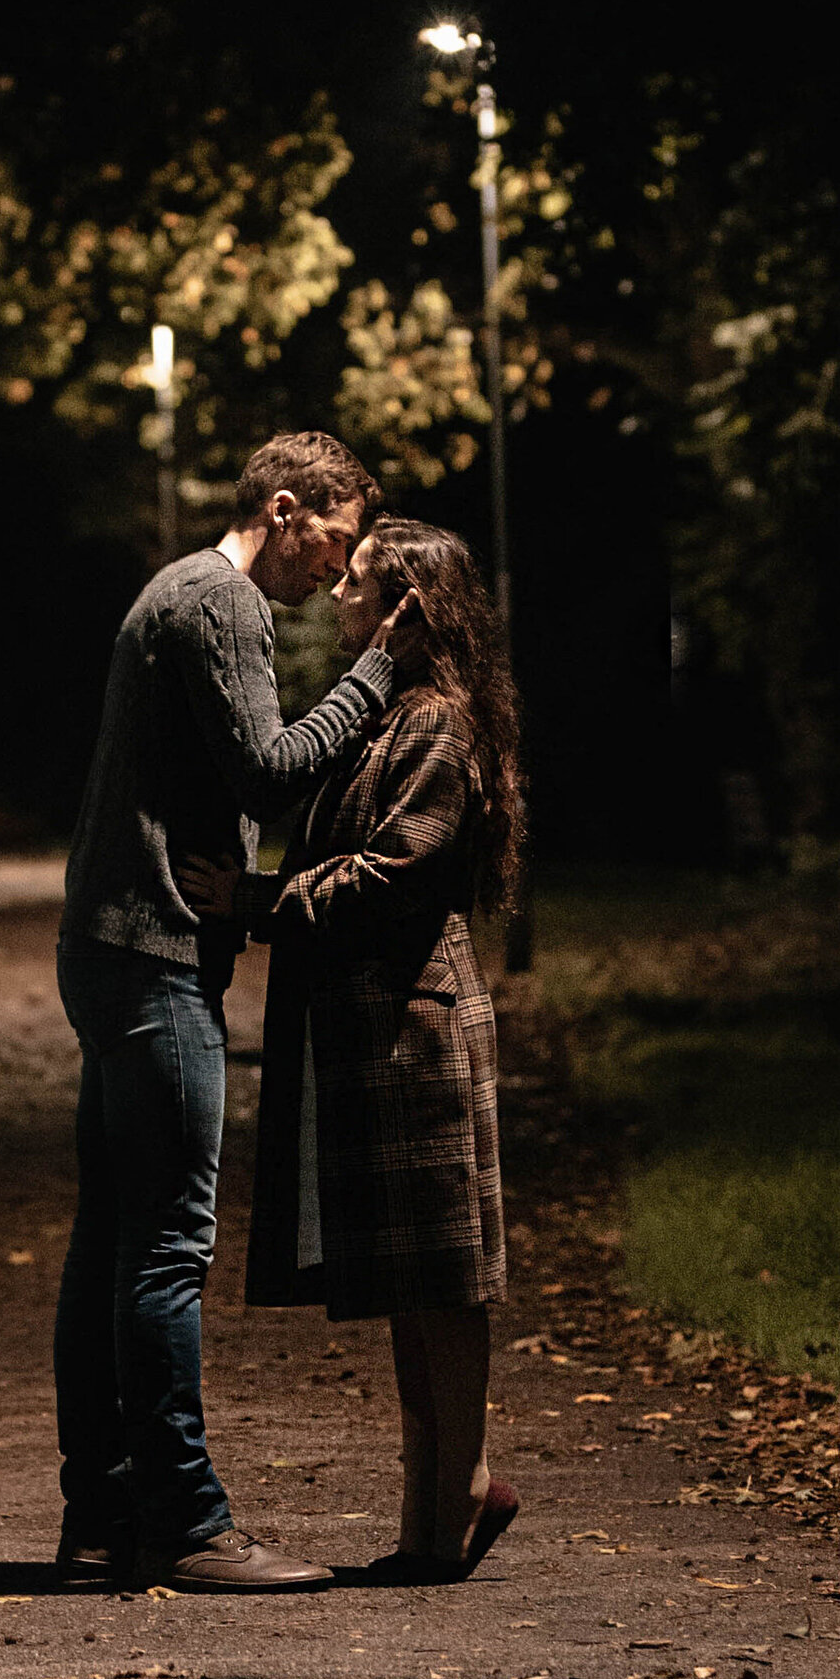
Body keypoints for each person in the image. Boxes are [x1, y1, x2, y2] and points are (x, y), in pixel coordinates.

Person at [54, 429, 396, 1592]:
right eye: (335, 542)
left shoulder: (173, 589)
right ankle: (191, 1524)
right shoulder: (224, 603)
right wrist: (375, 677)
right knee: (162, 1247)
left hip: (109, 945)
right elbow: (267, 766)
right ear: (288, 508)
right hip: (154, 954)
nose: (333, 572)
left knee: (110, 1238)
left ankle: (100, 1518)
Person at [182, 515, 523, 1584]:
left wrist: (257, 900)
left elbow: (394, 871)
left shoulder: (439, 725)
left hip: (418, 1022)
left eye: (360, 584)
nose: (337, 596)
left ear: (409, 609)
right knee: (414, 1279)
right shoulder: (393, 714)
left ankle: (454, 1494)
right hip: (383, 1023)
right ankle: (439, 1500)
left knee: (444, 1280)